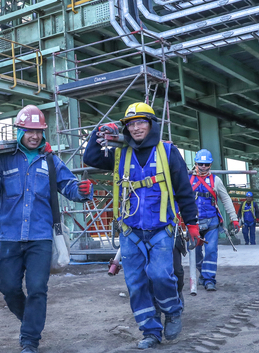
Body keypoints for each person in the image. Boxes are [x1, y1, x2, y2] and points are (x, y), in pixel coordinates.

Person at [83, 102, 200, 349]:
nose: (136, 128)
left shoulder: (168, 152)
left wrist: (192, 224)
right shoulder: (120, 153)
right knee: (135, 284)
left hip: (160, 229)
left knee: (160, 275)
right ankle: (150, 331)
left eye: (141, 123)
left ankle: (173, 310)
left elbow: (184, 191)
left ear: (151, 124)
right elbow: (90, 157)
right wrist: (99, 132)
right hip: (130, 231)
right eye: (131, 124)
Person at [0, 105, 93, 353]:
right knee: (8, 288)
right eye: (29, 131)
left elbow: (69, 185)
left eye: (39, 131)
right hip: (8, 236)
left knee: (38, 289)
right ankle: (31, 321)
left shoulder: (50, 161)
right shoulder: (4, 157)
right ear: (20, 131)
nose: (34, 136)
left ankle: (30, 340)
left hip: (40, 237)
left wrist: (83, 191)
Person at [189, 149, 239, 292]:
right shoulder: (188, 179)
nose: (203, 167)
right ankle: (202, 274)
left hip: (211, 222)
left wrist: (234, 219)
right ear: (196, 163)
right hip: (194, 223)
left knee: (211, 251)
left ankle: (209, 279)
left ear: (210, 164)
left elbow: (226, 199)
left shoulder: (216, 181)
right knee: (196, 253)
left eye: (206, 164)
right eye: (201, 164)